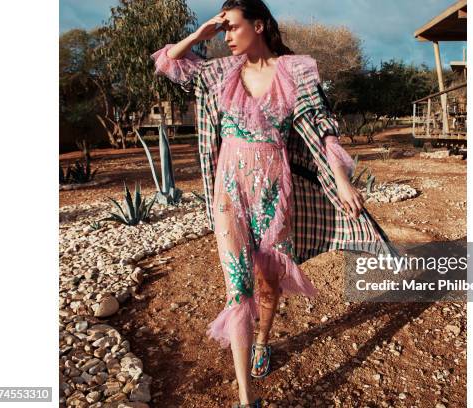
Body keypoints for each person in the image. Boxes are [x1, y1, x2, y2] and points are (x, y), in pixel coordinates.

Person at [151, 1, 401, 406]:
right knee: (238, 288)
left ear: (260, 25)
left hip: (274, 192)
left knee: (268, 280)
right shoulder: (218, 73)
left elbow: (323, 131)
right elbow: (168, 61)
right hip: (228, 195)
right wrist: (201, 35)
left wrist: (341, 182)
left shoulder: (294, 73)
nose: (226, 36)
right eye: (223, 29)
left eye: (232, 27)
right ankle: (246, 398)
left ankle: (263, 339)